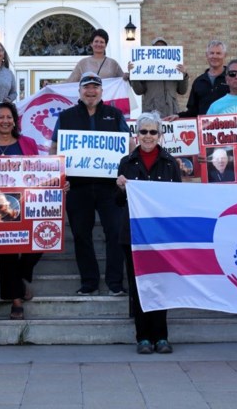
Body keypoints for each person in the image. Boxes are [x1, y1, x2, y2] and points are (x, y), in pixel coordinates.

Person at [50, 71, 131, 295]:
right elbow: (54, 149)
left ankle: (115, 283)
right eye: (87, 87)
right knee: (81, 234)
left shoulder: (114, 115)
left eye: (95, 87)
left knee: (115, 233)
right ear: (80, 91)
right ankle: (89, 282)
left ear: (101, 91)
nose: (91, 91)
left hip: (109, 187)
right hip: (78, 187)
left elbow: (129, 146)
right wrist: (58, 177)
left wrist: (127, 173)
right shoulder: (66, 116)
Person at [115, 111, 182, 356]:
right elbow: (118, 202)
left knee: (161, 285)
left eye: (153, 131)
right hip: (133, 235)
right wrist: (121, 188)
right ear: (136, 134)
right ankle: (143, 337)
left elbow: (177, 200)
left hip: (161, 236)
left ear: (160, 135)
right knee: (138, 286)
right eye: (143, 131)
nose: (148, 136)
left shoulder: (170, 163)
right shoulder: (126, 162)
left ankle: (161, 336)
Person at [0, 101, 42, 320]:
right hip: (1, 205)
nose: (5, 121)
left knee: (38, 245)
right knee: (7, 255)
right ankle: (16, 301)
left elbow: (41, 170)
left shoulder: (28, 143)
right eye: (1, 117)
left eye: (9, 117)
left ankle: (21, 278)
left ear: (15, 120)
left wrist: (59, 183)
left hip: (29, 203)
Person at [128, 36, 189, 117]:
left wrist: (184, 75)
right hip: (151, 112)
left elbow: (182, 91)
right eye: (157, 47)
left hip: (172, 112)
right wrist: (133, 75)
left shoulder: (174, 67)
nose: (160, 49)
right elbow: (139, 91)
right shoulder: (145, 67)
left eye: (163, 47)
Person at [174, 39, 229, 119]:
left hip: (229, 128)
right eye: (211, 53)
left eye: (218, 53)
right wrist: (178, 116)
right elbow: (193, 111)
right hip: (205, 129)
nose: (214, 56)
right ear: (207, 55)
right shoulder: (198, 82)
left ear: (225, 55)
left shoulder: (233, 78)